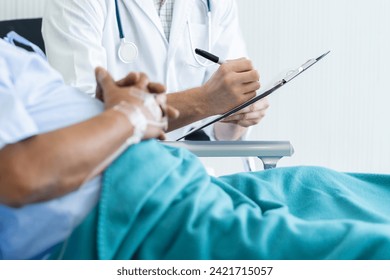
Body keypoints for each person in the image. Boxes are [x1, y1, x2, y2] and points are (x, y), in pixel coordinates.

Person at [1, 41, 390, 260]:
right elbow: (20, 176)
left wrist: (236, 113)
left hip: (183, 181)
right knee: (362, 249)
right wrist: (132, 114)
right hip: (139, 215)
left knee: (323, 184)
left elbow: (93, 128)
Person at [42, 0, 269, 141]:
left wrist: (238, 114)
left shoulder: (215, 4)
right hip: (114, 174)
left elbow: (220, 132)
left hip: (189, 173)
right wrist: (205, 101)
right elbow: (81, 118)